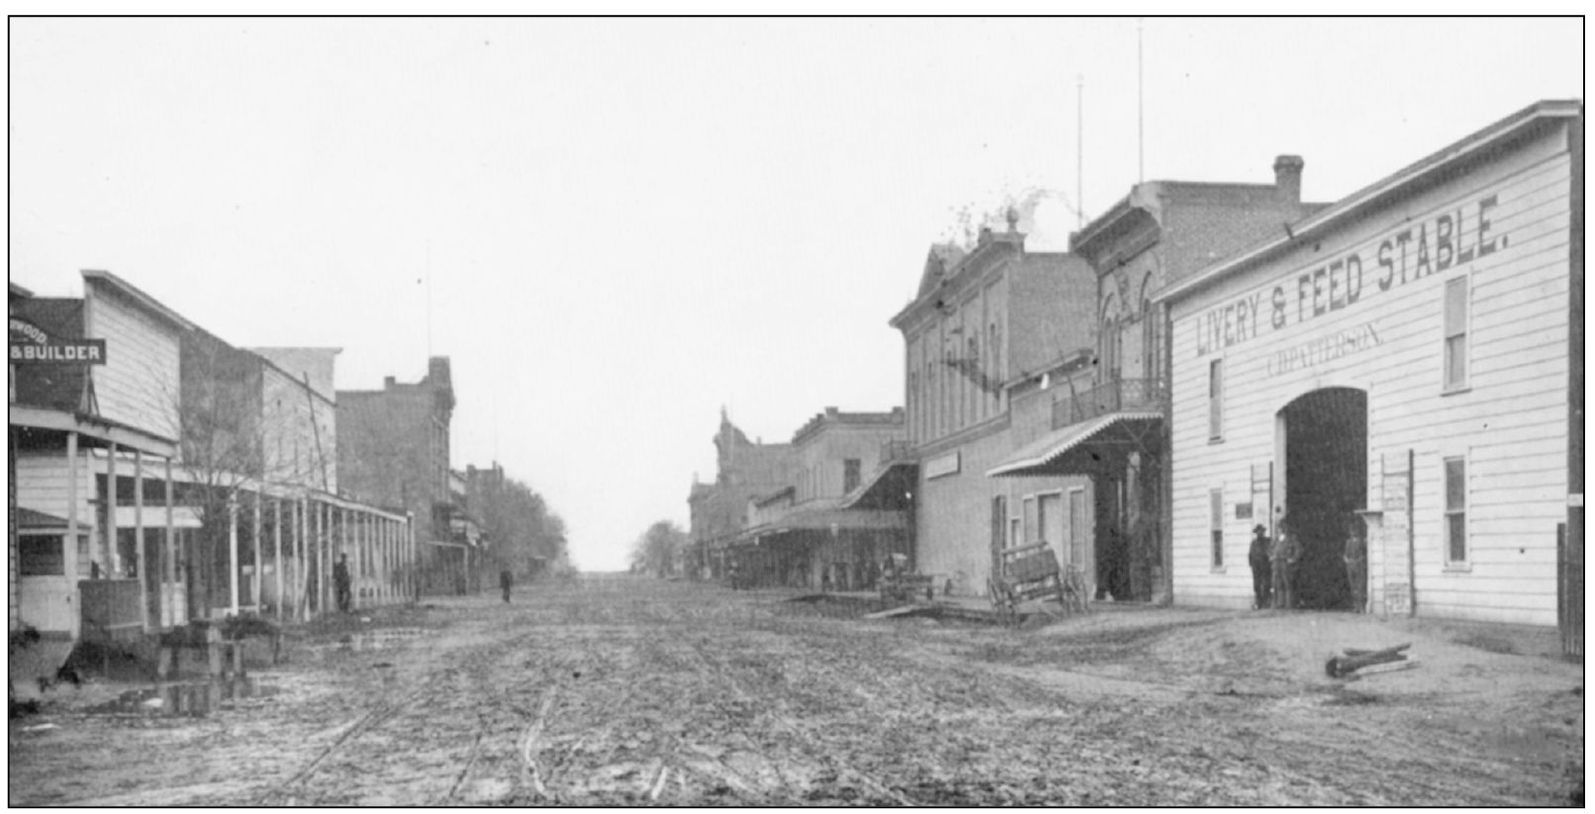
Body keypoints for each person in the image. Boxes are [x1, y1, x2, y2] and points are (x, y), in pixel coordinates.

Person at [1270, 511, 1300, 610]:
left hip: (1285, 563)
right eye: (1280, 526)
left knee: (1287, 583)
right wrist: (1271, 556)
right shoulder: (1276, 539)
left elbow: (1298, 549)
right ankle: (1279, 604)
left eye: (1284, 526)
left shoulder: (1291, 538)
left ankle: (1289, 604)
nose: (1282, 528)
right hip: (1276, 563)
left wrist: (1293, 559)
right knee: (1277, 584)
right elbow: (1270, 549)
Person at [1344, 516, 1368, 613]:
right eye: (1351, 531)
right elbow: (1345, 555)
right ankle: (1355, 606)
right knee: (1353, 586)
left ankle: (1361, 606)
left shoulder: (1362, 542)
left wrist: (1358, 560)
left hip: (1359, 565)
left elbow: (1364, 554)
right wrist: (1348, 561)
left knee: (1360, 585)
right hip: (1350, 565)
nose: (1353, 533)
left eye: (1354, 531)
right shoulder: (1348, 542)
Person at [1248, 524, 1272, 610]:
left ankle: (1266, 601)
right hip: (1256, 566)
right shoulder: (1253, 543)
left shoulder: (1267, 541)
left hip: (1265, 565)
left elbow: (1269, 551)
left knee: (1266, 583)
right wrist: (1251, 564)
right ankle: (1258, 602)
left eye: (1261, 532)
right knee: (1257, 585)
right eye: (1258, 532)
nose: (1260, 533)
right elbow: (1250, 554)